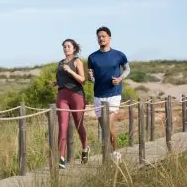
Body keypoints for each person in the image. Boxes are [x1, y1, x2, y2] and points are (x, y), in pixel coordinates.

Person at [87, 26, 131, 162]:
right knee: (105, 127)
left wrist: (119, 79)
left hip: (114, 94)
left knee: (108, 123)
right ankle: (112, 151)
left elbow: (127, 69)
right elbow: (93, 77)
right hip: (98, 95)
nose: (101, 39)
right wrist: (91, 78)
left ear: (109, 38)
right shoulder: (92, 57)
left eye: (103, 36)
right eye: (99, 37)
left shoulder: (119, 55)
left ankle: (114, 153)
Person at [53, 38, 90, 169]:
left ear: (74, 48)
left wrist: (70, 71)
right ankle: (61, 158)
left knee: (78, 124)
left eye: (68, 46)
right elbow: (61, 79)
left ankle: (85, 148)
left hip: (76, 95)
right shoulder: (60, 63)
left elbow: (83, 80)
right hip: (62, 95)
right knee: (62, 126)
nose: (66, 48)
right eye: (64, 46)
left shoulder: (77, 61)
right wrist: (55, 83)